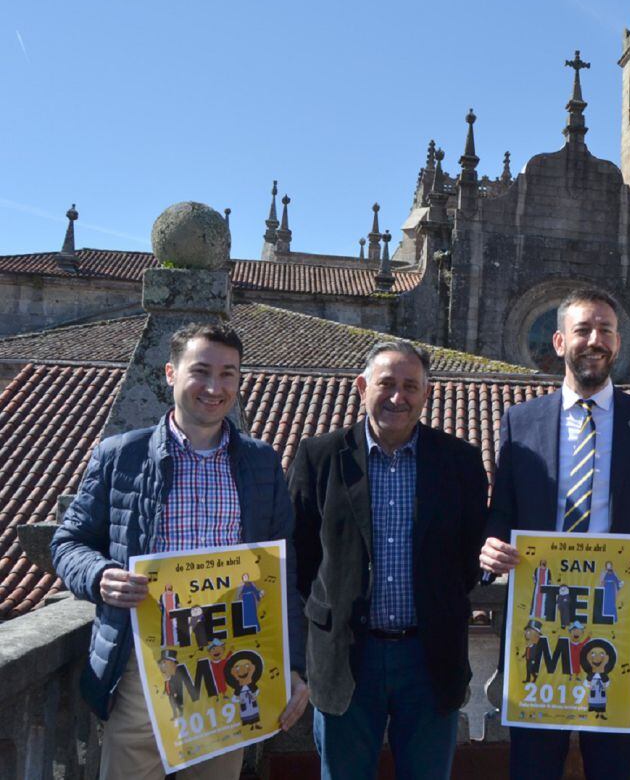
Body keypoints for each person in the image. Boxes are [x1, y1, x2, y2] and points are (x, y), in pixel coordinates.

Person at [51, 322, 309, 780]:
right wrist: (98, 575)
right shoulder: (119, 455)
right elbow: (68, 542)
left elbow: (282, 571)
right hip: (143, 665)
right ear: (171, 373)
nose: (214, 387)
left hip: (228, 664)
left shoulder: (262, 462)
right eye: (201, 371)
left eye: (228, 374)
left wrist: (291, 664)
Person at [480, 287, 630, 780]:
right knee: (533, 768)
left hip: (620, 627)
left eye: (606, 331)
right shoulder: (520, 422)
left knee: (614, 769)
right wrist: (488, 548)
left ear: (617, 343)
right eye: (583, 330)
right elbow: (501, 511)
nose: (595, 340)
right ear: (558, 341)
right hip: (538, 630)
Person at [289, 340, 488, 780]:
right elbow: (296, 557)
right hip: (345, 657)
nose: (398, 397)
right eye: (386, 384)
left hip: (429, 657)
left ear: (426, 394)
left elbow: (470, 556)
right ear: (362, 387)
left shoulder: (461, 462)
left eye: (410, 386)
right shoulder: (319, 457)